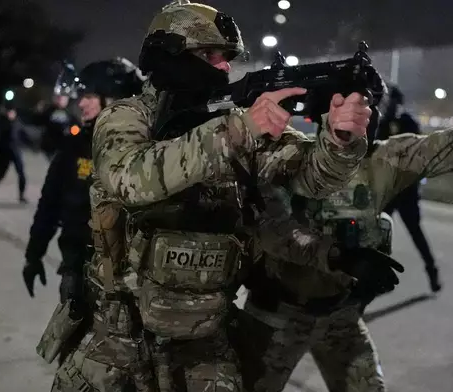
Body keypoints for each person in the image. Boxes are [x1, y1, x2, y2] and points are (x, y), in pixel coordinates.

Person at [44, 1, 374, 391]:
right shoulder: (128, 116)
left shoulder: (237, 120)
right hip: (116, 342)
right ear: (168, 54)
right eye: (208, 54)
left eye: (227, 58)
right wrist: (240, 129)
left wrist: (339, 139)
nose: (222, 66)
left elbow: (311, 179)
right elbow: (130, 178)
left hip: (204, 346)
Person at [238, 74, 453, 392]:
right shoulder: (287, 158)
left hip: (339, 315)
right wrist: (339, 256)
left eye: (367, 106)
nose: (360, 116)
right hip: (276, 313)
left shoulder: (383, 159)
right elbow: (274, 231)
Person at [22, 58, 145, 302]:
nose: (81, 103)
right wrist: (34, 254)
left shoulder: (145, 148)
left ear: (113, 99)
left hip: (131, 279)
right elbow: (50, 203)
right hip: (78, 270)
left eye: (89, 96)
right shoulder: (75, 146)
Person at [379, 85, 441, 293]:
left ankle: (432, 270)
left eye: (391, 102)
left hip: (405, 190)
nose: (388, 106)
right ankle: (379, 276)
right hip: (389, 189)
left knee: (415, 232)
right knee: (380, 233)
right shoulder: (383, 124)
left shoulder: (408, 123)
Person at [0, 101, 27, 203]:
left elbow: (24, 134)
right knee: (1, 173)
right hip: (4, 152)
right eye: (9, 112)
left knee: (21, 174)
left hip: (16, 151)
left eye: (12, 112)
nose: (10, 114)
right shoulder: (1, 122)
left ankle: (21, 196)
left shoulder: (18, 122)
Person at [33, 83, 78, 160]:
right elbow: (37, 121)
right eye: (59, 96)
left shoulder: (70, 114)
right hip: (49, 146)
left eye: (63, 97)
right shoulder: (48, 111)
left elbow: (76, 128)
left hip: (63, 146)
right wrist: (38, 112)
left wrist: (73, 131)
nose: (60, 99)